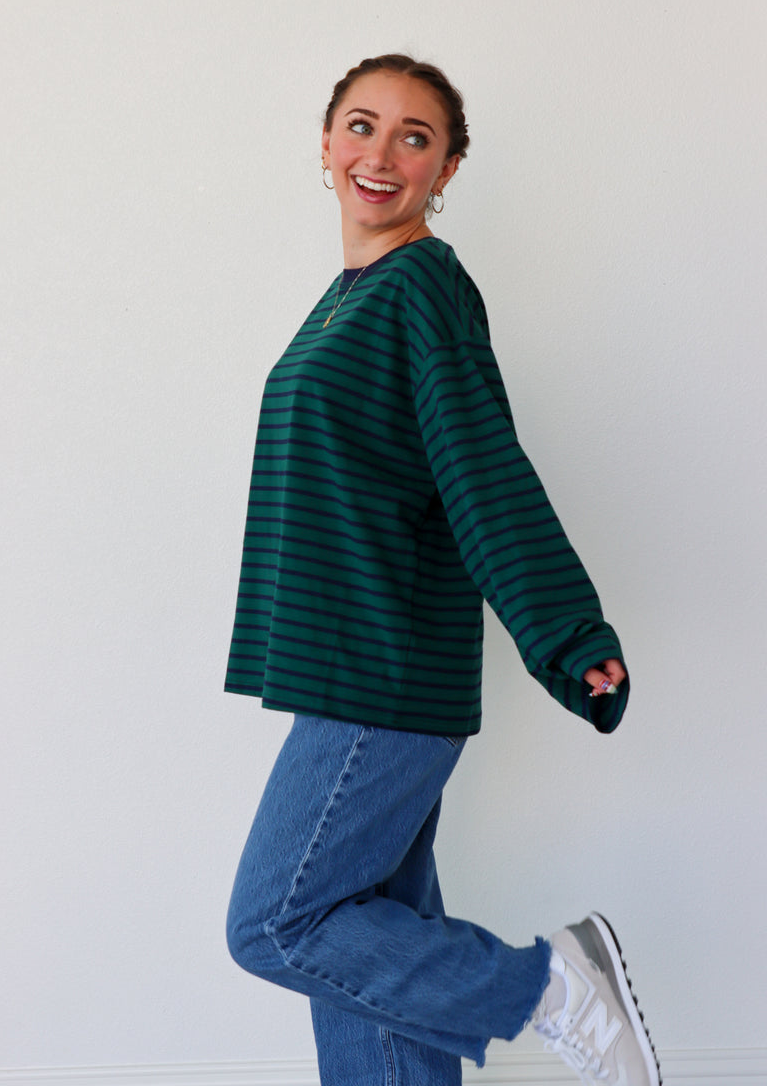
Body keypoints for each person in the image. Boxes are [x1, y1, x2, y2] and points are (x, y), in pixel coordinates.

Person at [224, 54, 660, 1085]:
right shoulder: (350, 296)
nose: (381, 153)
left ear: (446, 168)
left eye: (413, 137)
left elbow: (480, 466)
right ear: (325, 143)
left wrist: (566, 633)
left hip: (378, 674)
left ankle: (549, 987)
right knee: (366, 951)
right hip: (349, 668)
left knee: (278, 924)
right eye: (361, 125)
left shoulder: (423, 286)